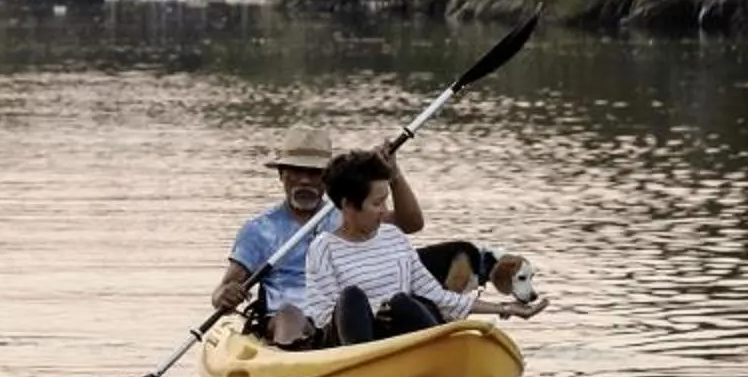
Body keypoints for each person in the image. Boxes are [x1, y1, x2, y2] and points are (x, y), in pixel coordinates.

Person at [211, 126, 525, 346]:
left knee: (393, 299)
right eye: (295, 171)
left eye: (313, 173)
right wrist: (225, 295)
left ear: (327, 179)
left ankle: (428, 348)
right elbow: (224, 289)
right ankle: (295, 366)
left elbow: (411, 223)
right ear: (281, 175)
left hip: (355, 316)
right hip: (293, 319)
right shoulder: (259, 229)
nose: (304, 180)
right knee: (291, 315)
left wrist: (394, 174)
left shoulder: (349, 212)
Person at [289, 148, 546, 345]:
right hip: (352, 344)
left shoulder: (394, 238)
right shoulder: (323, 248)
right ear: (348, 205)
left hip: (395, 339)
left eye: (385, 202)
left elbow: (439, 296)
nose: (385, 211)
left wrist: (506, 308)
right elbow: (322, 317)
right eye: (376, 204)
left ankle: (441, 357)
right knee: (352, 297)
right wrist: (375, 313)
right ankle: (367, 373)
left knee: (404, 302)